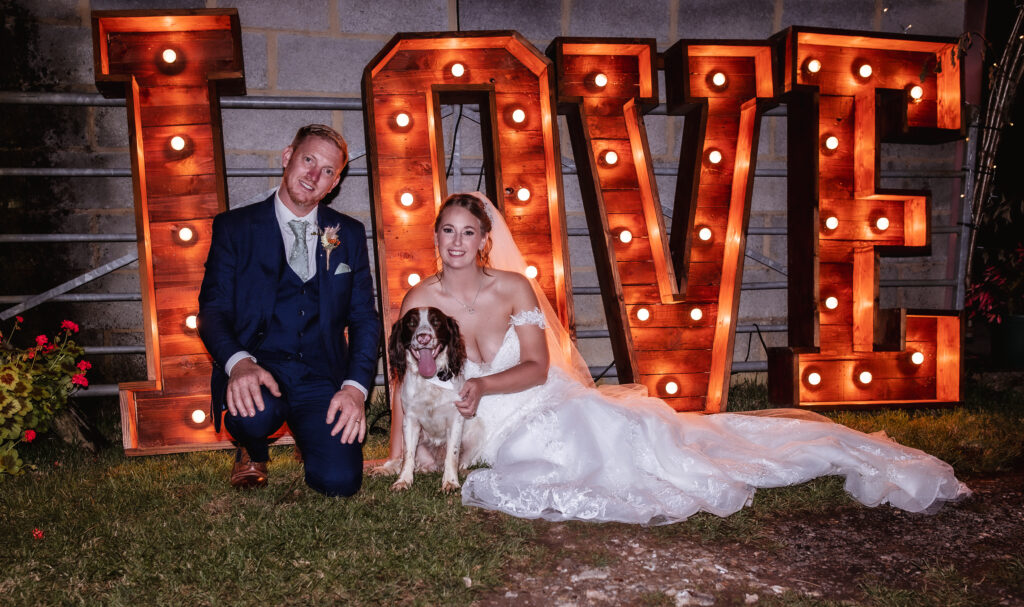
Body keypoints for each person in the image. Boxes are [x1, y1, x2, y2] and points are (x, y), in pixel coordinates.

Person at [377, 192, 969, 524]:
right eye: (446, 232)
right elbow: (405, 378)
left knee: (619, 444)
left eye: (467, 232)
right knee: (551, 458)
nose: (455, 243)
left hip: (528, 400)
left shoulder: (513, 288)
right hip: (479, 423)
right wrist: (398, 453)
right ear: (436, 237)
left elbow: (535, 366)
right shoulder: (420, 299)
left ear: (485, 239)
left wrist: (486, 389)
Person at [198, 124, 379, 496]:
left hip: (320, 375)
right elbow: (212, 310)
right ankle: (253, 447)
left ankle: (309, 437)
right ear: (287, 157)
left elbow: (364, 317)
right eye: (308, 160)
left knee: (340, 483)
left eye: (327, 171)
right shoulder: (235, 228)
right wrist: (239, 363)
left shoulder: (349, 233)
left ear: (335, 182)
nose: (314, 176)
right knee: (254, 415)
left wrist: (355, 388)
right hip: (260, 369)